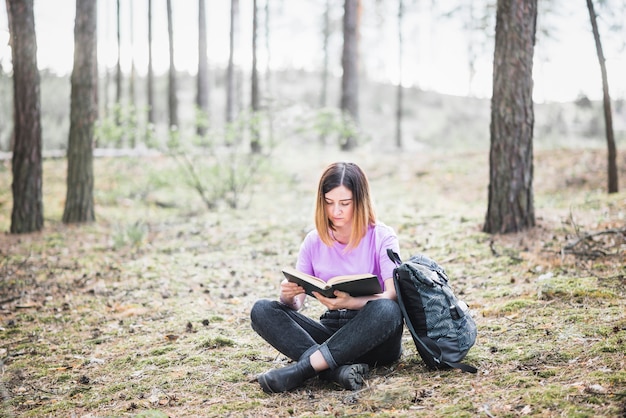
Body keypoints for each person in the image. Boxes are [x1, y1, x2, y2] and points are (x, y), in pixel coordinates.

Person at [250, 161, 404, 393]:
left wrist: (351, 302)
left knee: (387, 309)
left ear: (360, 201)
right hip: (332, 332)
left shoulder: (383, 236)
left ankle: (302, 370)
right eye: (329, 202)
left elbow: (392, 294)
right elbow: (296, 305)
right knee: (262, 309)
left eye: (345, 203)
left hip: (375, 335)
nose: (335, 211)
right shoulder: (314, 240)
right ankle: (335, 372)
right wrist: (288, 296)